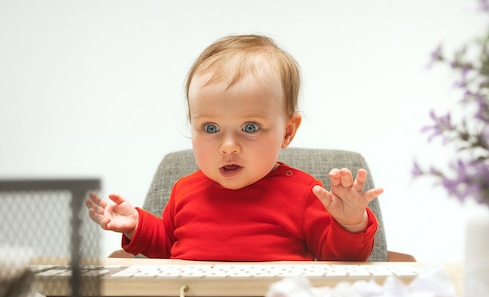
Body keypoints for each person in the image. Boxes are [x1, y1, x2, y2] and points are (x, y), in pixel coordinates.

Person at [86, 34, 384, 261]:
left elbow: (342, 260)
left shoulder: (305, 195)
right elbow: (168, 246)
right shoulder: (184, 191)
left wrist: (350, 223)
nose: (228, 147)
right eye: (211, 128)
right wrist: (137, 225)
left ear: (287, 132)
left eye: (250, 128)